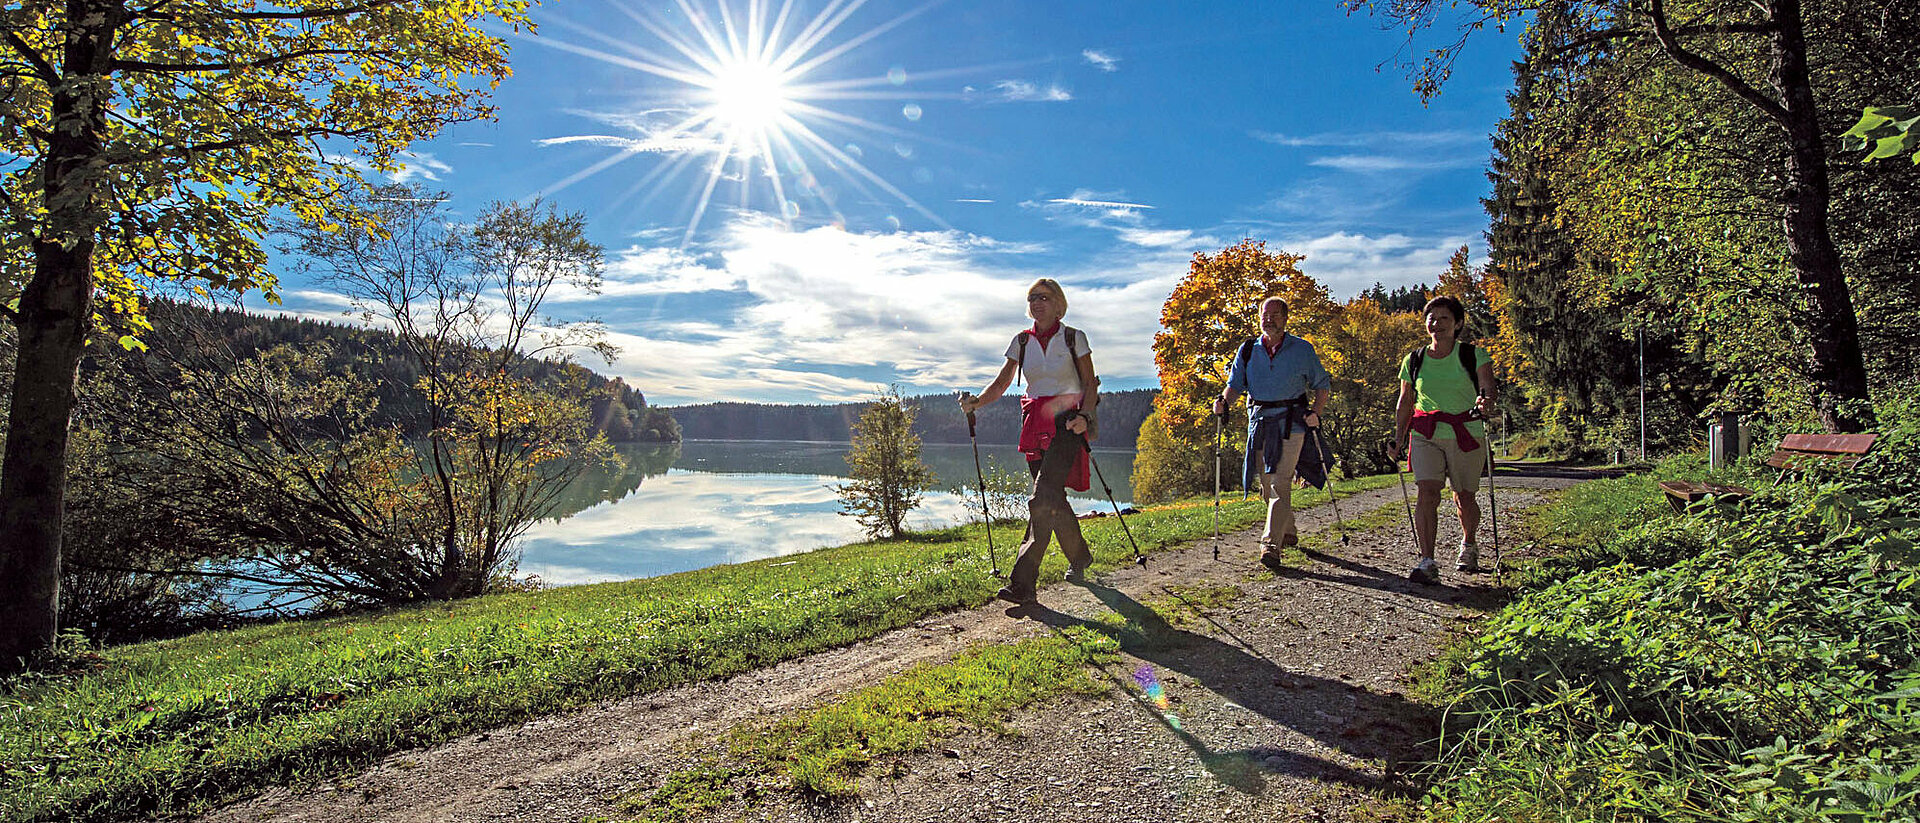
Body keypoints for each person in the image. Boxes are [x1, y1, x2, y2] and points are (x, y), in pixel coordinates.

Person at [959, 278, 1099, 604]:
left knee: (1041, 500)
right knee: (1052, 500)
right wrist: (977, 402)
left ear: (1058, 303)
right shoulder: (1021, 342)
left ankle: (1022, 585)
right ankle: (1080, 559)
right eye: (1032, 298)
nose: (1037, 303)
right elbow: (1003, 382)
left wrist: (1086, 417)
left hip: (1067, 423)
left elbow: (1090, 382)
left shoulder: (1073, 337)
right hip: (1034, 422)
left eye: (1044, 298)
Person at [1213, 296, 1331, 564]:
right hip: (1260, 422)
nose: (1269, 319)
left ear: (1286, 318)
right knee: (1267, 487)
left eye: (1275, 314)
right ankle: (1287, 530)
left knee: (1280, 481)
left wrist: (1316, 413)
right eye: (1265, 315)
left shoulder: (1302, 349)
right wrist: (1222, 402)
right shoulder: (1247, 350)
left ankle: (1270, 545)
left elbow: (1322, 384)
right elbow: (1234, 385)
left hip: (1293, 422)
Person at [1389, 295, 1497, 585]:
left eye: (1444, 318)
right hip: (1425, 433)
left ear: (1458, 323)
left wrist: (1484, 403)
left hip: (1466, 432)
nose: (1435, 323)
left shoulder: (1474, 355)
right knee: (1427, 493)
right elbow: (1405, 402)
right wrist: (1398, 438)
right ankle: (1427, 561)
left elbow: (1488, 389)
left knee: (1464, 496)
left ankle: (1469, 544)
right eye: (1431, 318)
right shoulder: (1413, 360)